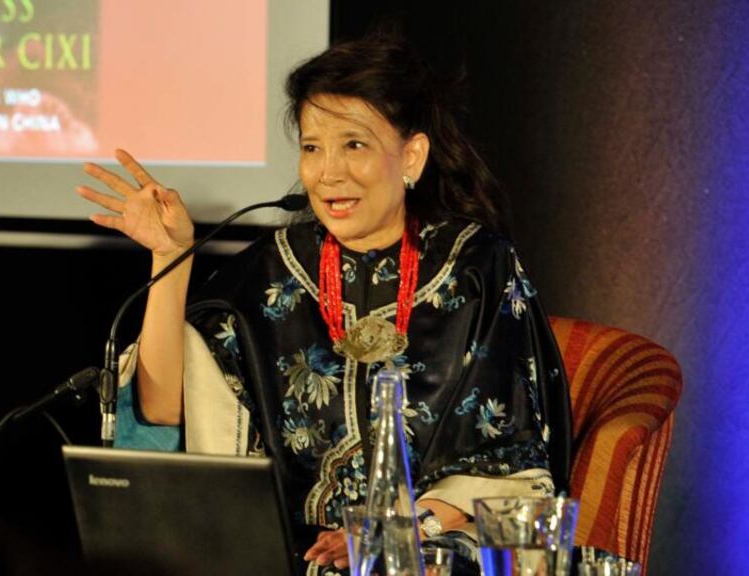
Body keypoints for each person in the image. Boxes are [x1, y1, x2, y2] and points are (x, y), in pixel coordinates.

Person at [77, 34, 571, 576]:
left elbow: (510, 463)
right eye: (312, 147)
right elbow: (158, 423)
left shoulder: (476, 267)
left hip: (429, 543)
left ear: (411, 155)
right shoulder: (266, 273)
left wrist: (392, 530)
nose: (327, 172)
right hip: (288, 553)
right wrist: (170, 259)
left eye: (354, 145)